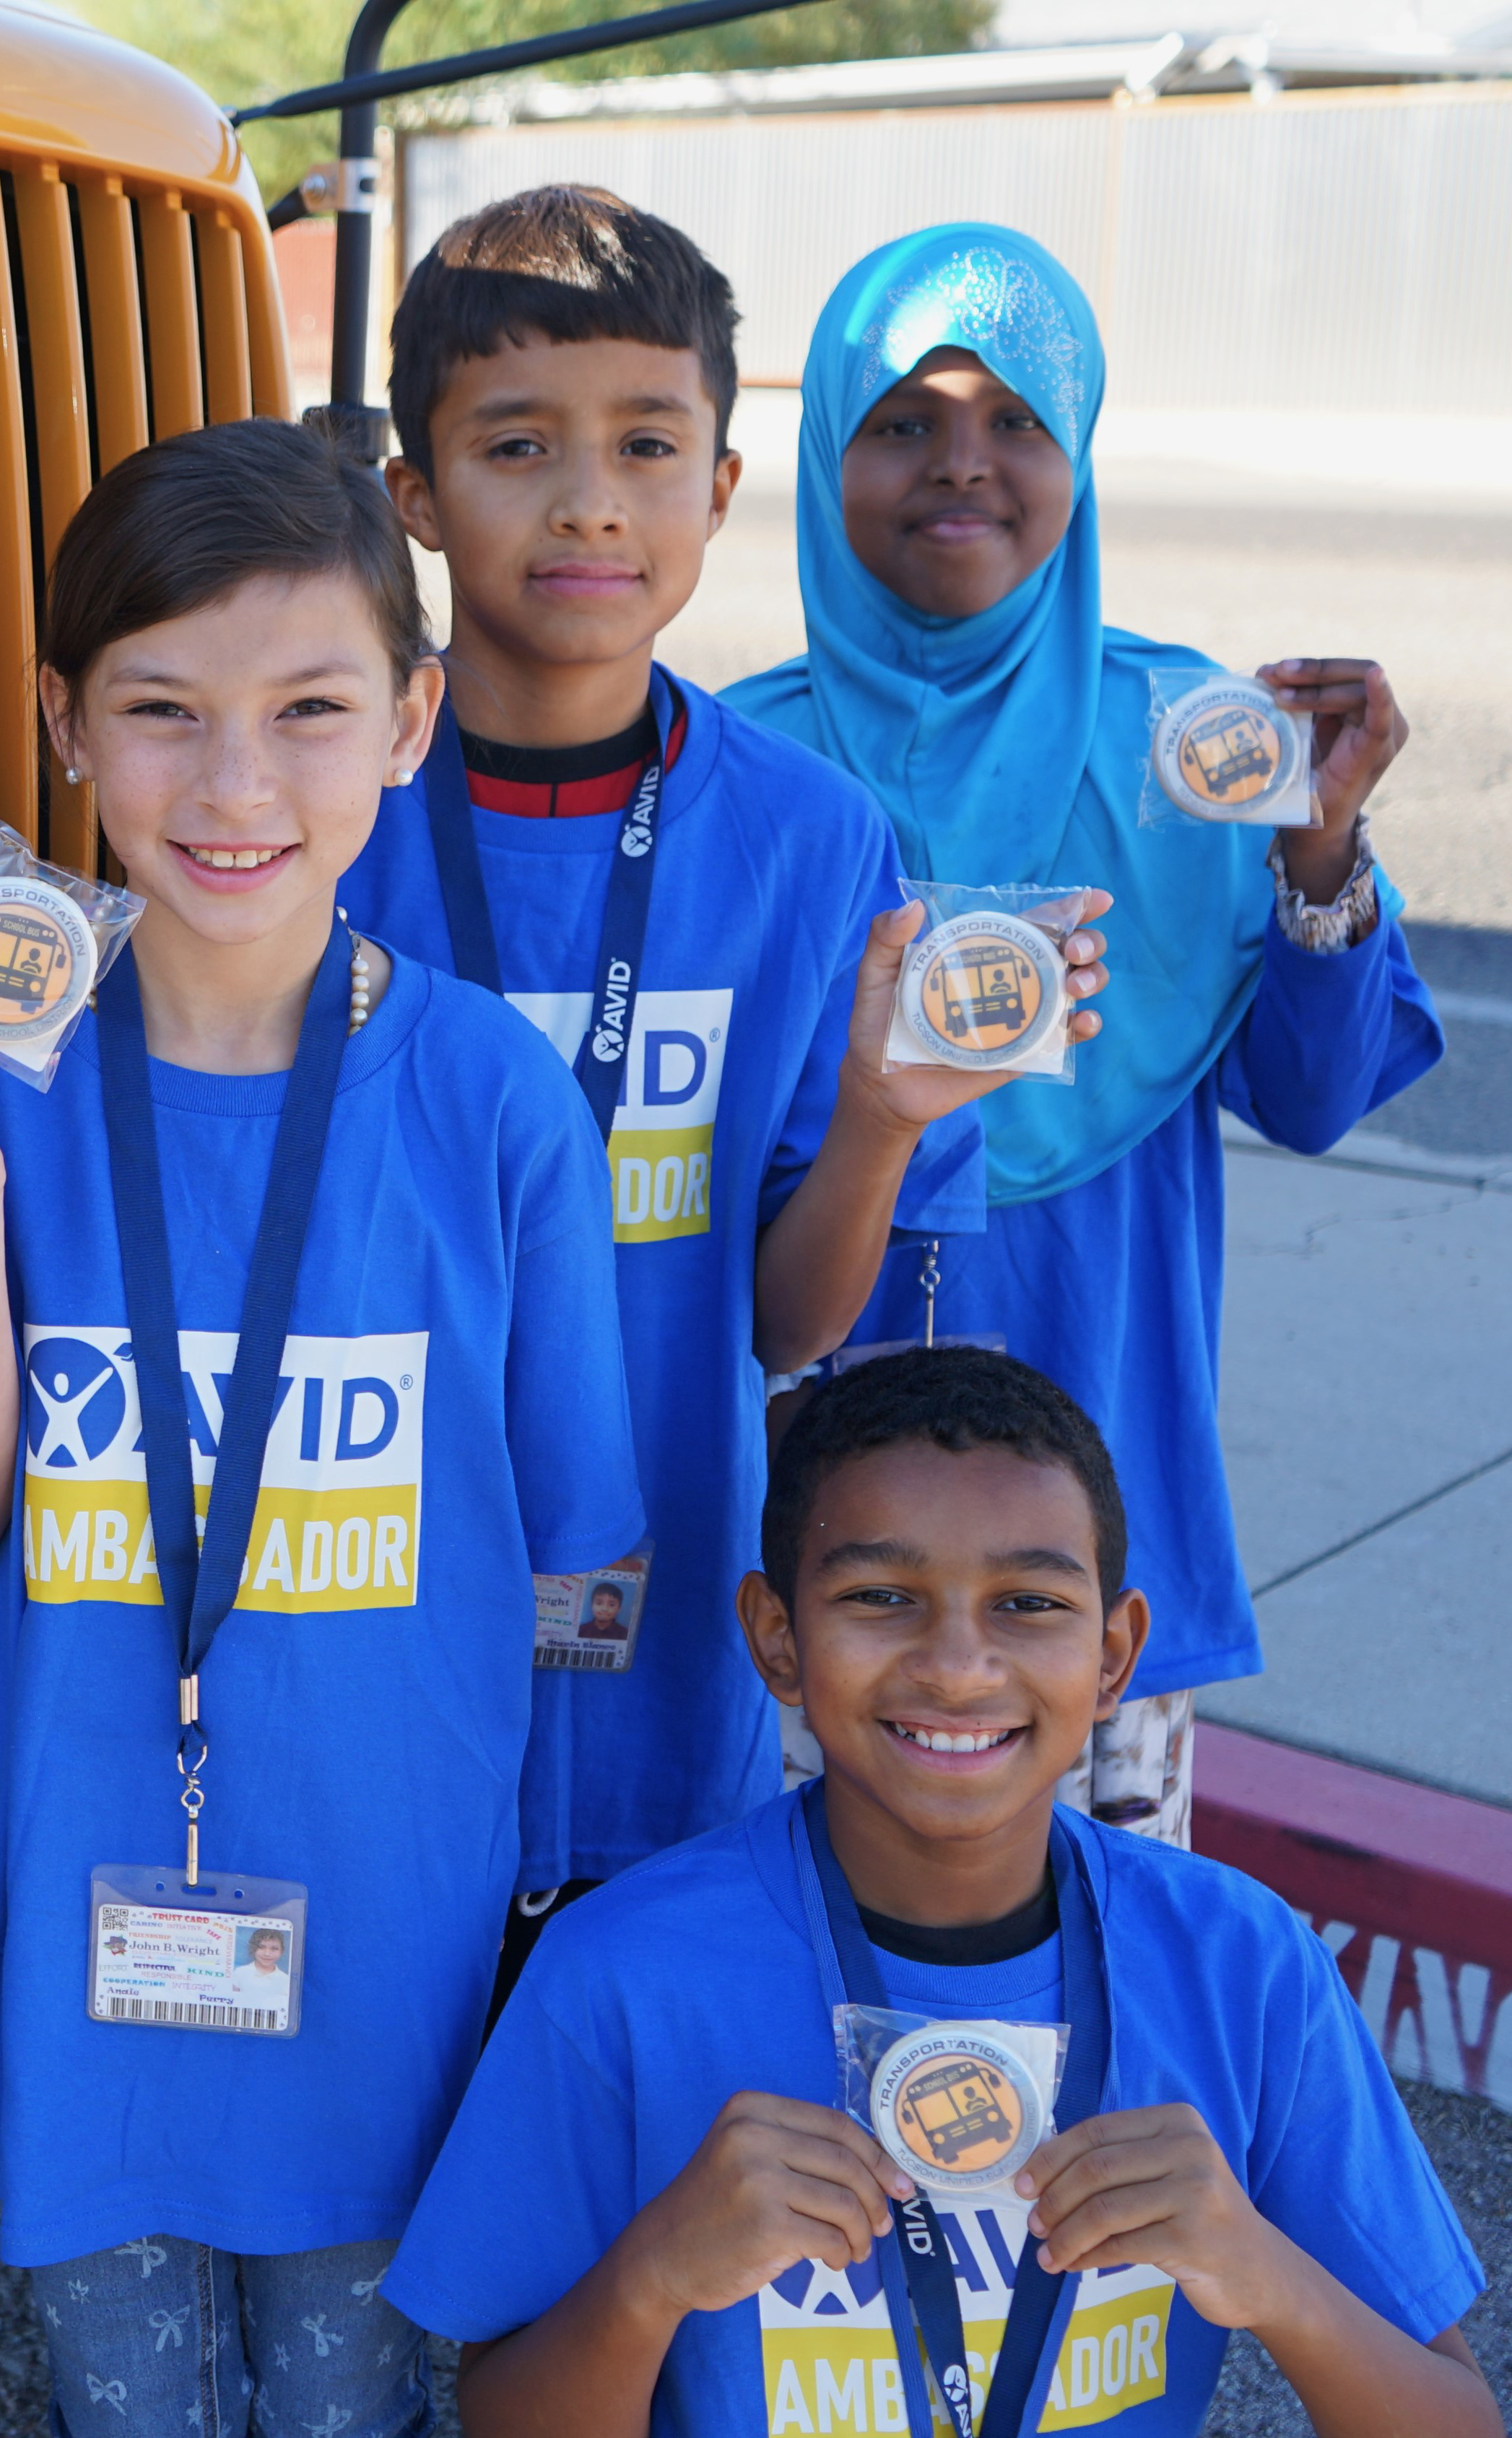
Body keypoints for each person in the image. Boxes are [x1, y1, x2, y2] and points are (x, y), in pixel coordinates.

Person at [0, 415, 643, 2438]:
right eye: (163, 711)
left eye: (310, 710)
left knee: (356, 2401)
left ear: (412, 721)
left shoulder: (486, 1100)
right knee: (134, 2407)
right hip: (76, 1867)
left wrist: (537, 1882)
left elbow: (571, 1552)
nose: (239, 782)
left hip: (378, 1905)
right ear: (65, 727)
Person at [347, 188, 1106, 1946]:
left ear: (722, 486)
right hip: (362, 1604)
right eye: (516, 444)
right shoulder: (316, 805)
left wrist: (879, 1117)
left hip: (655, 1636)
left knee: (615, 2146)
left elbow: (786, 1327)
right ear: (415, 494)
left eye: (646, 444)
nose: (592, 499)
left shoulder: (814, 841)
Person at [385, 1347, 1493, 2438]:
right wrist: (653, 2276)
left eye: (1027, 1603)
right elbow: (506, 2410)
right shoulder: (619, 1974)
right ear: (778, 1639)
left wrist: (1268, 2274)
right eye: (881, 1595)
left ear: (1115, 1657)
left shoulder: (1242, 1965)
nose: (958, 1666)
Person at [726, 225, 1443, 1848]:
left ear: (1080, 455)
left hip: (1096, 1534)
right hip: (806, 1558)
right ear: (829, 448)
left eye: (1018, 424)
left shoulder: (1185, 745)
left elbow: (1317, 1099)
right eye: (903, 421)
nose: (961, 466)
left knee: (1088, 1995)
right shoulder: (741, 776)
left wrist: (1321, 852)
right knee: (801, 1991)